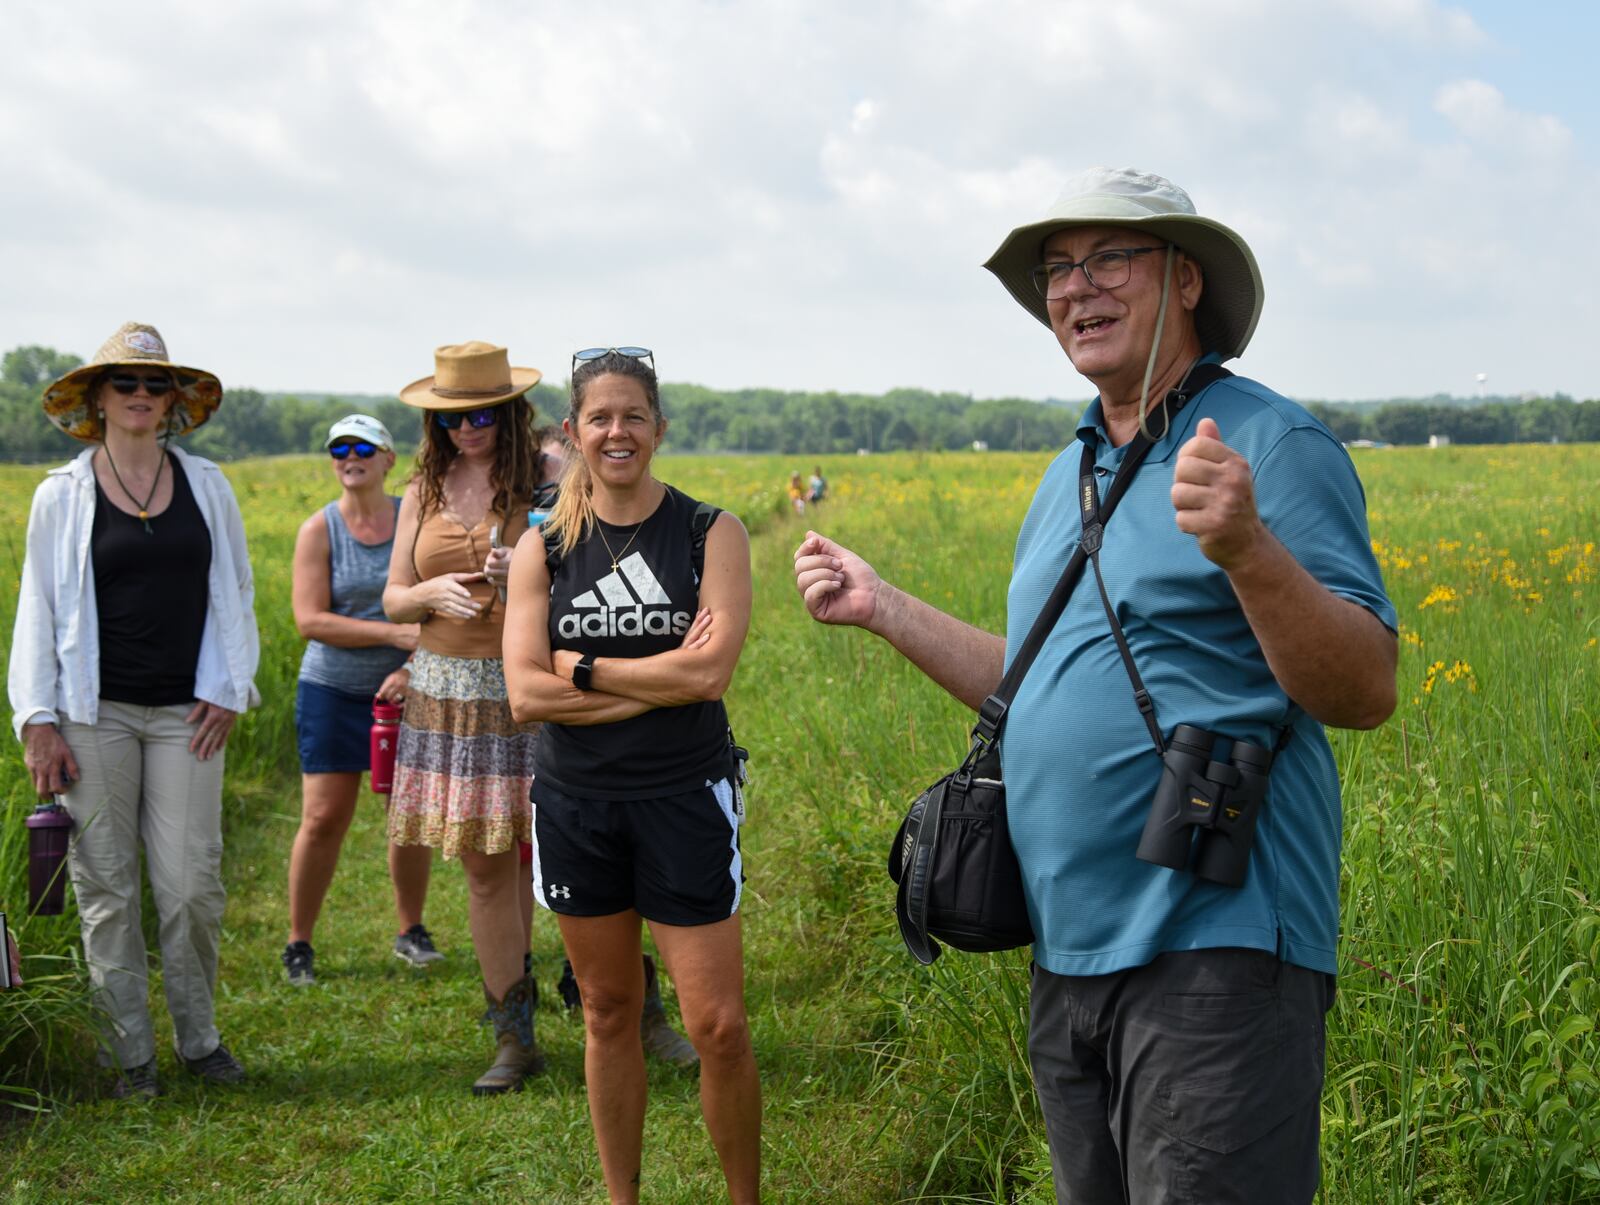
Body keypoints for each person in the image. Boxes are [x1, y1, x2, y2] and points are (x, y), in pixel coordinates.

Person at [793, 168, 1398, 1202]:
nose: (1077, 287)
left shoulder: (1268, 442)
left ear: (1188, 280)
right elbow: (1035, 686)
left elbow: (1365, 685)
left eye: (1109, 257)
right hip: (1066, 950)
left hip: (1217, 946)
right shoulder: (1070, 465)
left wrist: (1248, 547)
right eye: (1057, 268)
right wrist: (883, 605)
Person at [504, 347, 759, 1204]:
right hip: (577, 805)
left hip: (685, 796)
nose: (617, 432)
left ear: (659, 428)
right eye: (600, 418)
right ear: (573, 432)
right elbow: (522, 693)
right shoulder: (542, 544)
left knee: (717, 1026)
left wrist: (583, 670)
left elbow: (708, 676)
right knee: (609, 1011)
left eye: (634, 416)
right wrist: (651, 679)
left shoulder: (708, 532)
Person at [9, 321, 259, 1099]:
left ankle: (200, 1038)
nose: (144, 396)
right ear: (96, 399)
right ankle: (131, 1059)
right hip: (93, 713)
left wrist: (230, 684)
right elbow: (37, 612)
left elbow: (237, 594)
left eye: (157, 385)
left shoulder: (207, 485)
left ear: (174, 401)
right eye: (128, 384)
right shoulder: (62, 494)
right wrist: (37, 718)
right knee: (107, 887)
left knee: (191, 887)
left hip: (189, 713)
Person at [382, 340, 547, 1095]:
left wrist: (524, 575)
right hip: (445, 688)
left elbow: (577, 569)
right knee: (484, 864)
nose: (465, 430)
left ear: (509, 412)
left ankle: (616, 998)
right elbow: (392, 597)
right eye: (450, 419)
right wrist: (428, 595)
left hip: (523, 683)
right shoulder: (423, 485)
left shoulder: (543, 477)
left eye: (480, 415)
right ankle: (513, 1033)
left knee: (538, 853)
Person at [282, 415, 434, 987]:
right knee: (323, 818)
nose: (351, 456)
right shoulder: (318, 530)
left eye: (363, 447)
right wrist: (393, 636)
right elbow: (309, 619)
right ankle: (299, 942)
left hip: (404, 691)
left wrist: (410, 666)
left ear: (389, 459)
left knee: (407, 818)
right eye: (338, 448)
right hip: (332, 690)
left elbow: (435, 609)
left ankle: (411, 930)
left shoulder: (412, 522)